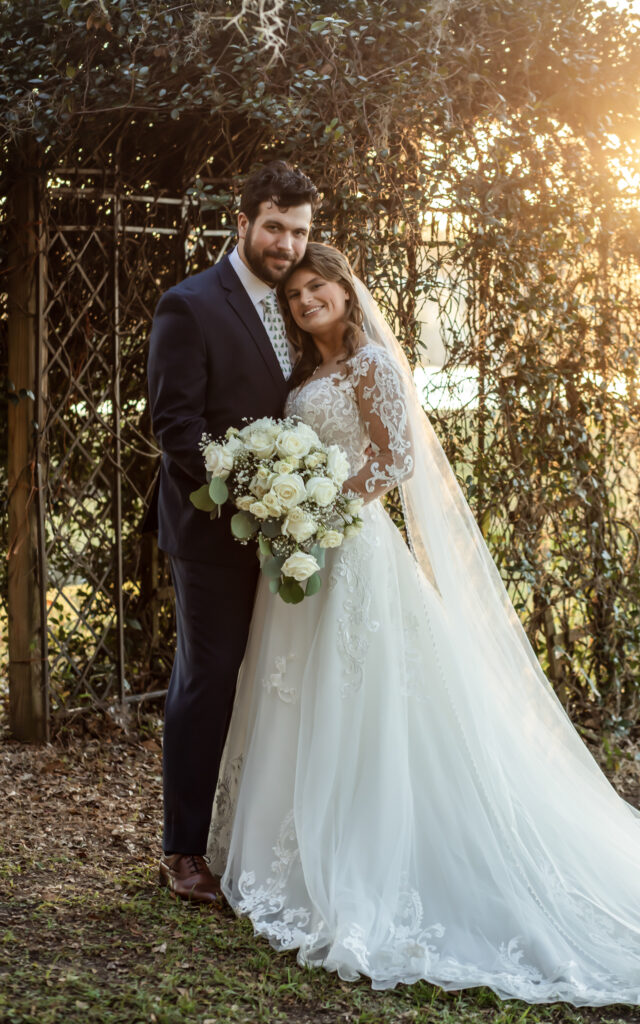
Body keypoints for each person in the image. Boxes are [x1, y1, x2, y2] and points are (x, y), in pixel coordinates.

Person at [206, 242, 640, 1004]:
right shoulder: (303, 376)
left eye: (316, 286)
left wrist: (320, 506)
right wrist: (286, 502)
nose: (304, 301)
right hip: (301, 554)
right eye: (294, 294)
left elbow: (394, 461)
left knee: (363, 696)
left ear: (343, 290)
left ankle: (372, 852)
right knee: (295, 690)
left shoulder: (372, 368)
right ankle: (287, 853)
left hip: (353, 551)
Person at [146, 161, 319, 902]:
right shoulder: (190, 305)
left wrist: (297, 508)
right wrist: (247, 498)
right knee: (208, 679)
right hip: (213, 530)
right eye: (274, 227)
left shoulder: (304, 303)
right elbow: (173, 427)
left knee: (281, 684)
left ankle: (255, 834)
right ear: (241, 221)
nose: (286, 244)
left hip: (294, 535)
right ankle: (182, 850)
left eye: (300, 231)